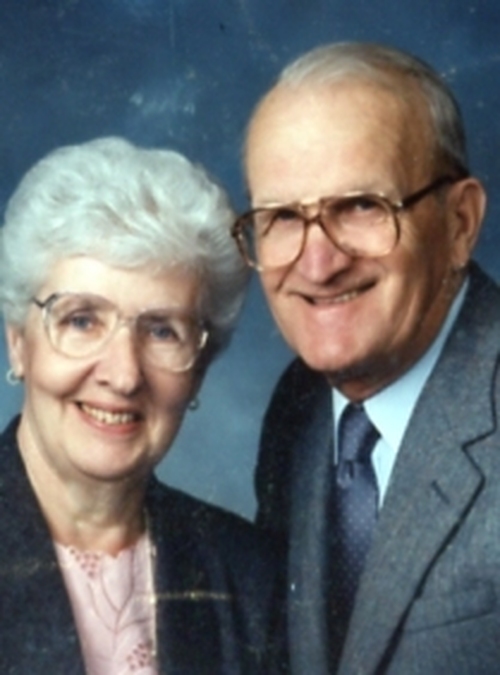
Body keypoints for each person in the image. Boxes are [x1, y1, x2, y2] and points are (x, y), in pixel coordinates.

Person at [231, 41, 500, 674]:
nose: (318, 264)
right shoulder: (298, 405)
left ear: (460, 223)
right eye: (282, 217)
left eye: (360, 206)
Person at [0, 136, 283, 674]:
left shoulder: (248, 578)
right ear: (18, 342)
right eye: (82, 320)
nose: (124, 374)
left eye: (162, 331)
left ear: (199, 369)